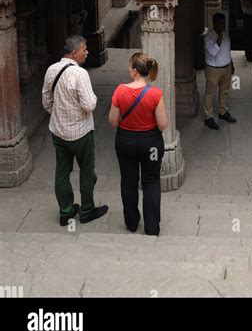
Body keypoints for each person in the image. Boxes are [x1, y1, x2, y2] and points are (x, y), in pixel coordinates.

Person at [42, 36, 108, 226]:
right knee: (87, 172)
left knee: (62, 172)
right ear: (74, 53)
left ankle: (66, 211)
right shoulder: (80, 74)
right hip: (81, 133)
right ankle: (87, 210)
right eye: (84, 49)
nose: (87, 52)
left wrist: (60, 115)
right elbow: (89, 105)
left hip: (58, 131)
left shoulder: (51, 70)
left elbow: (46, 102)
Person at [109, 52, 167, 236]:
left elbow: (113, 120)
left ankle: (132, 222)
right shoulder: (156, 94)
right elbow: (162, 124)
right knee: (151, 181)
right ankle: (151, 227)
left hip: (126, 142)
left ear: (134, 71)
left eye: (129, 67)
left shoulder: (120, 91)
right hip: (150, 143)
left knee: (128, 180)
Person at [203, 13, 237, 130]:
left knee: (224, 91)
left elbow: (227, 50)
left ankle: (223, 112)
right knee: (210, 93)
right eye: (221, 23)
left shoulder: (225, 34)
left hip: (226, 68)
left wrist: (231, 64)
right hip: (213, 70)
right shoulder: (209, 37)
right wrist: (220, 37)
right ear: (215, 23)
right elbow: (213, 51)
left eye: (224, 22)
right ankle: (208, 117)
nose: (224, 25)